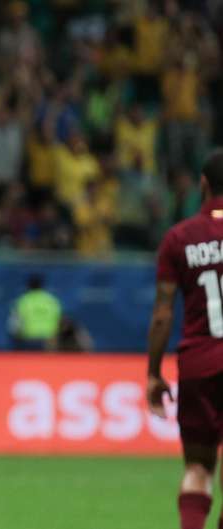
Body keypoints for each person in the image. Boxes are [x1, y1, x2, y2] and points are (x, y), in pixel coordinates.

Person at [147, 149, 223, 529]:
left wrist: (152, 372)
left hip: (199, 364)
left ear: (203, 185)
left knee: (198, 467)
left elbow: (163, 313)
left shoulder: (179, 237)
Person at [8, 274, 62, 350]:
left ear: (28, 286)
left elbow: (15, 323)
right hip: (48, 341)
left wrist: (15, 337)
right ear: (42, 285)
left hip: (28, 340)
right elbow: (59, 320)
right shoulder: (51, 300)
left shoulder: (23, 301)